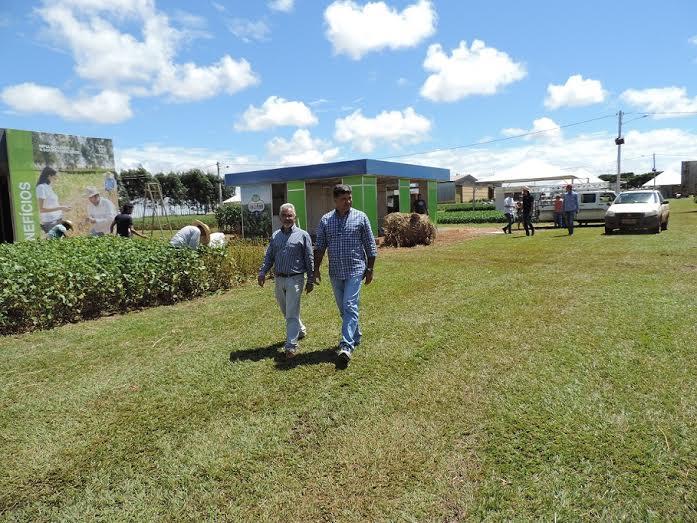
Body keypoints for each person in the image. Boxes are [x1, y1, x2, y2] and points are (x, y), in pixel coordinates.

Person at [314, 184, 377, 365]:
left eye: (349, 198)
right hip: (335, 272)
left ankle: (346, 346)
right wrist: (316, 269)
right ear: (335, 200)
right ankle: (356, 335)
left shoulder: (361, 217)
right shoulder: (326, 220)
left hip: (356, 269)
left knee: (349, 305)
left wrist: (370, 269)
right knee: (344, 309)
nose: (347, 202)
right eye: (343, 199)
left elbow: (370, 246)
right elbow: (320, 247)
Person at [258, 203, 314, 358]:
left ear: (294, 216)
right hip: (279, 279)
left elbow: (309, 258)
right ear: (280, 217)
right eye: (284, 215)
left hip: (295, 279)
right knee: (286, 310)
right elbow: (269, 256)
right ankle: (300, 330)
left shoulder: (303, 235)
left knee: (291, 312)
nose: (287, 218)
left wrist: (310, 278)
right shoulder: (275, 235)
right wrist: (262, 272)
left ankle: (291, 345)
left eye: (290, 215)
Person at [36, 166, 71, 235]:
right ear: (49, 176)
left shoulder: (48, 187)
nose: (56, 177)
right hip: (51, 222)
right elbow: (41, 209)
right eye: (55, 175)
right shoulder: (41, 188)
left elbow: (51, 204)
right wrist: (61, 207)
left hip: (57, 220)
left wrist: (64, 207)